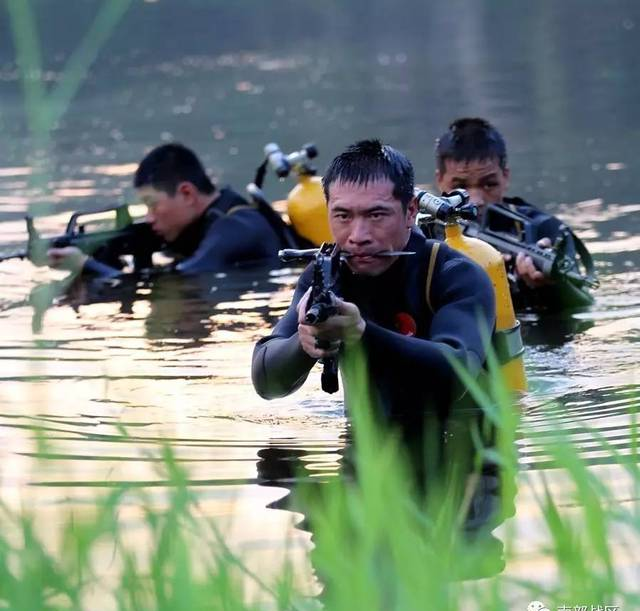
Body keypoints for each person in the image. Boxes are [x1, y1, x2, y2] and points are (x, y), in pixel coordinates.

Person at [252, 138, 496, 453]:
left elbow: (457, 374)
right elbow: (265, 381)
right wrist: (305, 343)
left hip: (466, 449)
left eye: (376, 216)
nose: (358, 236)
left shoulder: (454, 274)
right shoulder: (326, 274)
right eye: (343, 216)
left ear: (410, 211)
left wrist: (360, 334)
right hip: (368, 450)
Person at [47, 143, 287, 277]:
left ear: (187, 193)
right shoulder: (204, 224)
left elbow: (179, 280)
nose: (149, 217)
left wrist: (85, 265)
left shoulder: (234, 228)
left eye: (152, 204)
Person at [434, 117, 595, 311]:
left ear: (505, 177)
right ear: (440, 180)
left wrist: (550, 286)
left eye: (489, 184)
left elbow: (583, 306)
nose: (476, 199)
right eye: (460, 187)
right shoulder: (421, 234)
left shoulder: (546, 230)